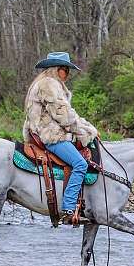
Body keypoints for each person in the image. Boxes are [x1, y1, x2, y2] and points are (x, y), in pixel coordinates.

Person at [23, 52, 98, 223]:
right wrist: (86, 131)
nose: (67, 74)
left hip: (45, 131)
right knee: (80, 164)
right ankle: (69, 208)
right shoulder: (49, 84)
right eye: (66, 69)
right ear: (57, 69)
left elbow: (68, 115)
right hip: (50, 135)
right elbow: (63, 116)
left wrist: (87, 127)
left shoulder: (46, 83)